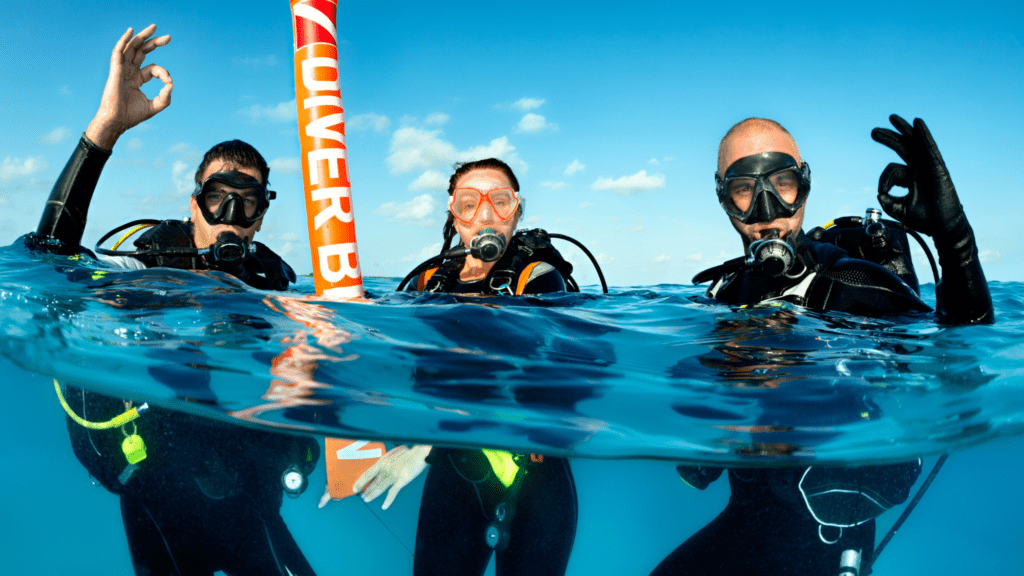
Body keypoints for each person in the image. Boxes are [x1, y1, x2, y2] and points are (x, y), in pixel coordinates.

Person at [29, 25, 319, 576]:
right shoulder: (145, 267)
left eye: (246, 202)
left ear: (261, 215)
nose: (230, 218)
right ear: (193, 206)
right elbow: (50, 261)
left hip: (249, 495)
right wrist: (104, 131)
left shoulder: (274, 282)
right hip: (159, 495)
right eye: (217, 198)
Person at [651, 116, 993, 575]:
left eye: (783, 183)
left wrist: (954, 239)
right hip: (745, 525)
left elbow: (962, 356)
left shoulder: (856, 284)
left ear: (804, 185)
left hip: (827, 537)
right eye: (744, 191)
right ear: (722, 199)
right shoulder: (724, 296)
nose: (767, 209)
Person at [346, 158, 579, 576]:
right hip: (454, 475)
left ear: (518, 212)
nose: (486, 215)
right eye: (469, 203)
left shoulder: (538, 278)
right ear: (453, 215)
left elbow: (522, 369)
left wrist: (425, 443)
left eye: (501, 202)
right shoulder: (428, 281)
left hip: (536, 478)